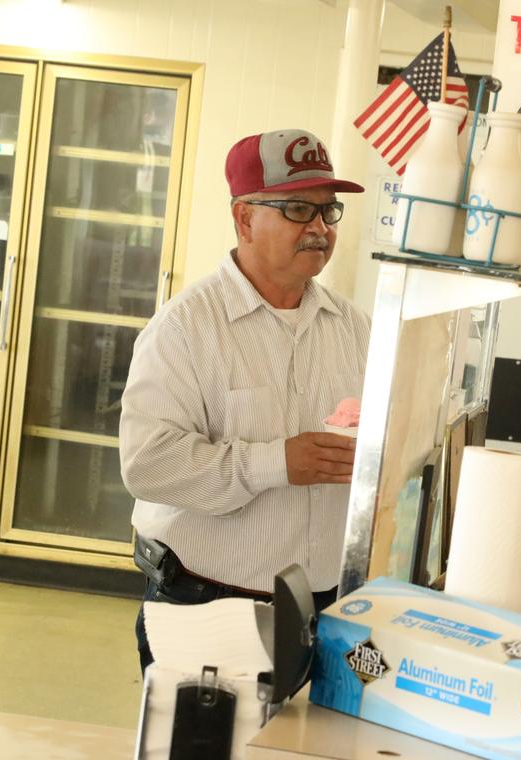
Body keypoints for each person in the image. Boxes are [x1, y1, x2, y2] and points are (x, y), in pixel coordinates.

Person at [120, 128, 370, 671]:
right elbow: (148, 466)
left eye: (329, 212)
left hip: (321, 605)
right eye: (298, 210)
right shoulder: (185, 328)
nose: (320, 229)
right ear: (244, 218)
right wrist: (279, 461)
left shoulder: (351, 328)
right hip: (206, 604)